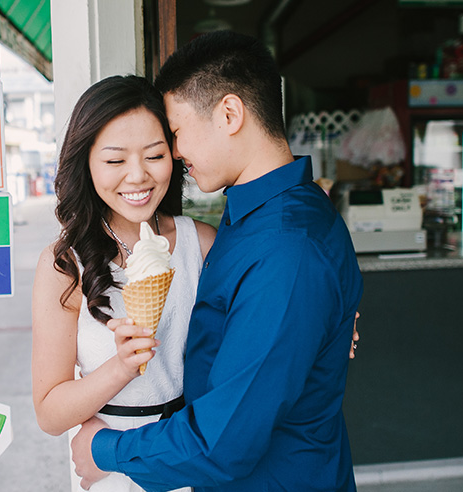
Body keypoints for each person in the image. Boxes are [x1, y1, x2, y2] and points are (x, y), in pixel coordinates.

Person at [71, 31, 364, 491]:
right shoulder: (261, 214)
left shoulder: (287, 246)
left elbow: (223, 442)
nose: (176, 151)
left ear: (229, 114)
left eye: (177, 132)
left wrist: (104, 450)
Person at [31, 75, 218, 491]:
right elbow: (49, 413)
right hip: (108, 465)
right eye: (115, 161)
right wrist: (120, 368)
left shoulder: (201, 244)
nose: (137, 176)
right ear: (87, 163)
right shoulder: (64, 264)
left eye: (154, 155)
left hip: (193, 454)